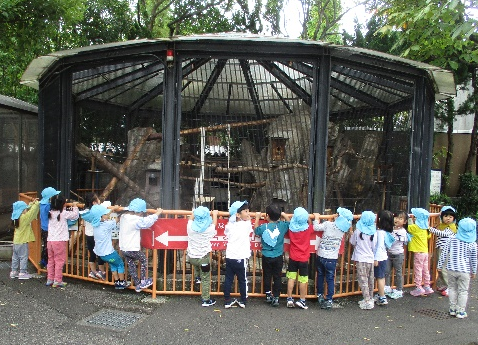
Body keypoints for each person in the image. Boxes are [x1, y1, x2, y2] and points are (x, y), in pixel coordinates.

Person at [313, 207, 353, 310]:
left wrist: (317, 218)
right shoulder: (342, 231)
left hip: (321, 255)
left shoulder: (327, 224)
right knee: (330, 278)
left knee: (320, 276)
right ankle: (329, 299)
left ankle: (320, 294)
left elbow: (316, 227)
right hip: (332, 258)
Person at [119, 198, 162, 292]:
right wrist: (157, 213)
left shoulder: (123, 216)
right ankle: (143, 281)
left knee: (131, 265)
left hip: (123, 247)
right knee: (144, 260)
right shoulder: (135, 220)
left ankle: (137, 284)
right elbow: (147, 222)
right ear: (140, 212)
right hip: (132, 248)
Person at [437, 217, 477, 319]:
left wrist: (440, 266)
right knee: (463, 291)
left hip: (451, 269)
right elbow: (474, 259)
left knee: (452, 289)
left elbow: (444, 253)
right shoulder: (473, 244)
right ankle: (461, 311)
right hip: (465, 271)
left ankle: (452, 309)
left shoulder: (452, 239)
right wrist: (474, 271)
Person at [82, 204, 129, 289]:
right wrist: (122, 213)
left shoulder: (95, 225)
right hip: (110, 253)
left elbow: (104, 217)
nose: (107, 215)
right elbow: (116, 220)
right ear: (102, 216)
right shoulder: (107, 225)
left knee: (113, 265)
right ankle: (122, 282)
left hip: (101, 255)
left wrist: (112, 209)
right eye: (105, 214)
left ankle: (117, 282)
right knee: (120, 264)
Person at [254, 204, 290, 307]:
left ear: (267, 216)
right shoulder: (282, 226)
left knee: (267, 275)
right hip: (278, 255)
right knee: (277, 276)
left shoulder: (263, 227)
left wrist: (257, 218)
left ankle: (268, 294)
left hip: (266, 255)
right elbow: (289, 222)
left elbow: (256, 230)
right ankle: (277, 297)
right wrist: (284, 214)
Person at [187, 206, 218, 307]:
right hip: (203, 258)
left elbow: (190, 218)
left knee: (196, 265)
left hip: (191, 258)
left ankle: (197, 277)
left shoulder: (190, 227)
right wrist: (215, 214)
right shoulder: (209, 230)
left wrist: (194, 212)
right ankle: (205, 299)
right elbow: (214, 223)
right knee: (206, 279)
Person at [223, 200, 252, 309]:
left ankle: (226, 300)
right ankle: (243, 300)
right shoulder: (246, 225)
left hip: (230, 256)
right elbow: (249, 224)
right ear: (238, 215)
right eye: (245, 211)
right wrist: (253, 218)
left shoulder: (230, 225)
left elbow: (227, 231)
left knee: (228, 279)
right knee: (242, 279)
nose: (248, 213)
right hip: (240, 257)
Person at [46, 194, 79, 288]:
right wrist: (75, 206)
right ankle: (58, 280)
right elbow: (75, 215)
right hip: (60, 241)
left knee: (51, 260)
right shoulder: (63, 213)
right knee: (59, 260)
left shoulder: (51, 212)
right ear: (63, 204)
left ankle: (50, 279)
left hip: (50, 240)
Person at [286, 207, 313, 310]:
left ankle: (289, 298)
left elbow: (290, 223)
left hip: (293, 257)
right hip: (304, 259)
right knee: (303, 280)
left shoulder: (291, 229)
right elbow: (311, 224)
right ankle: (302, 300)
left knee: (291, 278)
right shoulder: (308, 229)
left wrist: (284, 215)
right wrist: (310, 218)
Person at [350, 210, 377, 310]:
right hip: (370, 258)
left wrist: (351, 234)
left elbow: (352, 242)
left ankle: (367, 301)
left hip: (361, 259)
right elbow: (374, 246)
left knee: (363, 280)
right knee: (370, 279)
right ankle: (370, 297)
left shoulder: (358, 231)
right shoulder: (374, 233)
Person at [428, 206, 457, 297]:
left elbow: (442, 234)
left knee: (443, 268)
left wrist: (429, 228)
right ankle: (446, 285)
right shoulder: (441, 226)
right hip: (440, 248)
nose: (448, 218)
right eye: (445, 216)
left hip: (446, 250)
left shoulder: (451, 227)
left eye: (450, 217)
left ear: (453, 219)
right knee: (439, 268)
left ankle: (451, 288)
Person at [10, 199, 40, 279]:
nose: (26, 210)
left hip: (16, 241)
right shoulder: (24, 218)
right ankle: (22, 272)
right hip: (22, 241)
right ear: (22, 210)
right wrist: (36, 204)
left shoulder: (15, 219)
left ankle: (14, 271)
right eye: (25, 209)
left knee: (15, 257)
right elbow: (32, 213)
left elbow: (28, 210)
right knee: (23, 256)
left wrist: (30, 204)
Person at [80, 192, 106, 280]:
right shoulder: (95, 211)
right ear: (94, 202)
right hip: (96, 235)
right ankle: (101, 272)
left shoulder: (85, 211)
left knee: (92, 253)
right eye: (97, 199)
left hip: (88, 234)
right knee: (100, 253)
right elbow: (102, 219)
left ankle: (93, 271)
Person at [408, 207, 434, 296]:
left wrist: (409, 219)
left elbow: (409, 227)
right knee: (425, 270)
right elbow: (428, 237)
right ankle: (427, 286)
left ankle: (418, 287)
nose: (414, 218)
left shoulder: (415, 227)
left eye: (415, 217)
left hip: (418, 252)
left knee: (418, 270)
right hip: (425, 252)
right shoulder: (426, 228)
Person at [384, 210, 409, 299]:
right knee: (386, 271)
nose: (397, 220)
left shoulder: (403, 232)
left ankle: (399, 290)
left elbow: (396, 241)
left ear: (405, 222)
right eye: (396, 217)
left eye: (400, 218)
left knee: (398, 272)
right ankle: (386, 287)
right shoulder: (390, 229)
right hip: (389, 253)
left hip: (398, 255)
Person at [373, 210, 392, 306]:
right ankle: (380, 294)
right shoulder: (387, 233)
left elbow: (377, 246)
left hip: (378, 258)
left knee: (379, 278)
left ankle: (382, 296)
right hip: (384, 257)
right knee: (381, 277)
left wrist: (375, 258)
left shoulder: (379, 233)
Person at [39, 187, 60, 268]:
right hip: (49, 229)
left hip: (44, 228)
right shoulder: (49, 206)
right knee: (49, 247)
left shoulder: (41, 204)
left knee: (46, 245)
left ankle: (44, 261)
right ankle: (45, 262)